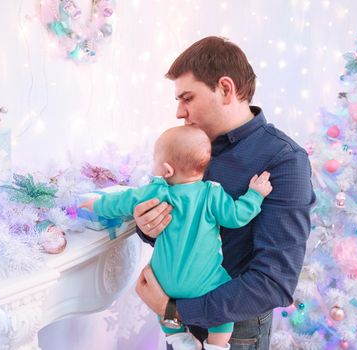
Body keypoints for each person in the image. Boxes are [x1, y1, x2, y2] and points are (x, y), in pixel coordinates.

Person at [133, 36, 316, 350]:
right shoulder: (187, 145)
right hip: (177, 322)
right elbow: (180, 228)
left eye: (187, 98)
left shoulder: (284, 160)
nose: (179, 112)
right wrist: (147, 225)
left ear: (226, 89)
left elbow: (275, 282)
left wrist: (175, 310)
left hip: (235, 331)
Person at [80, 125, 272, 350]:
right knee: (223, 315)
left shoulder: (157, 191)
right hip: (205, 283)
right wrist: (255, 195)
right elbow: (237, 216)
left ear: (168, 170)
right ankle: (215, 345)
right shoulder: (212, 193)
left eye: (154, 159)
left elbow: (122, 201)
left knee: (158, 302)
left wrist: (95, 204)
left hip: (164, 283)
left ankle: (178, 338)